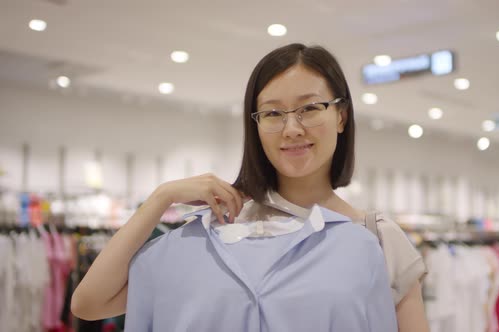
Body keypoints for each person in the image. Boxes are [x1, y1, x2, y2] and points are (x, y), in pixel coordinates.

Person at [71, 43, 429, 331]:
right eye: (273, 113)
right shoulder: (223, 226)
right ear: (255, 125)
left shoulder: (376, 239)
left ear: (341, 116)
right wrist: (161, 197)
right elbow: (90, 303)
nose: (292, 128)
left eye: (310, 108)